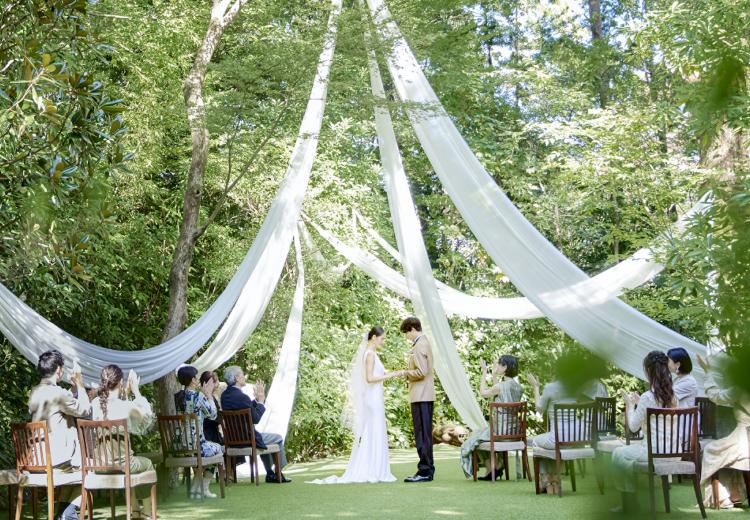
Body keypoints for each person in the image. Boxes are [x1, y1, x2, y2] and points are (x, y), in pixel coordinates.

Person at [310, 327, 404, 484]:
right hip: (372, 400)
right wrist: (393, 374)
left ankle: (375, 468)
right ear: (374, 337)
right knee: (373, 432)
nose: (383, 341)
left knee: (374, 432)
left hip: (374, 398)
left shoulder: (370, 353)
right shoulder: (370, 355)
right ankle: (373, 470)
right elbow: (369, 378)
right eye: (382, 338)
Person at [611, 351, 678, 514]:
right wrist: (639, 405)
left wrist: (630, 405)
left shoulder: (648, 397)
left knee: (618, 454)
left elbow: (633, 427)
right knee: (627, 456)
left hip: (653, 452)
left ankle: (630, 503)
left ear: (649, 371)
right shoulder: (673, 396)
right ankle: (631, 502)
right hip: (672, 452)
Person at [28, 350, 91, 520]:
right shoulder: (58, 393)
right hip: (55, 462)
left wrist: (74, 389)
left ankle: (64, 513)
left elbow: (65, 403)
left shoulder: (34, 392)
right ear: (58, 370)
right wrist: (80, 385)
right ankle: (68, 512)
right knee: (90, 471)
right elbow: (85, 410)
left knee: (77, 467)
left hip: (36, 460)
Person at [527, 370, 607, 495]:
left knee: (536, 442)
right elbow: (584, 402)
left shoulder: (550, 388)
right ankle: (555, 479)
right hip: (577, 438)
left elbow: (539, 408)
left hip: (557, 438)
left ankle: (545, 479)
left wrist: (535, 387)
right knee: (555, 447)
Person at [90, 365, 155, 519]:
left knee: (128, 465)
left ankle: (135, 511)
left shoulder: (94, 404)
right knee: (147, 465)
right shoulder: (126, 407)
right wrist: (136, 391)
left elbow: (112, 409)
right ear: (120, 383)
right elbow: (147, 418)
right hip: (124, 464)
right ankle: (146, 512)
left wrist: (124, 395)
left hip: (99, 464)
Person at [220, 366, 291, 483]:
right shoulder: (242, 397)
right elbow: (255, 418)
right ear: (237, 378)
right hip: (248, 437)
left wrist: (256, 400)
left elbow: (244, 408)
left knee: (265, 439)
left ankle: (270, 473)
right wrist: (261, 401)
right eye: (242, 374)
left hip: (233, 439)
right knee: (277, 438)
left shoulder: (225, 396)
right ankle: (278, 473)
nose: (244, 377)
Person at [696, 354, 749, 508]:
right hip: (744, 436)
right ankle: (735, 493)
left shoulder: (740, 387)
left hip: (745, 436)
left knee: (711, 450)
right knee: (730, 455)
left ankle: (723, 498)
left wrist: (708, 371)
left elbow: (716, 396)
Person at [460, 355, 523, 480]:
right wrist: (494, 375)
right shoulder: (518, 387)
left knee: (473, 440)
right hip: (514, 430)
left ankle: (493, 466)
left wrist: (484, 372)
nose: (497, 366)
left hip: (500, 430)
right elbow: (501, 395)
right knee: (479, 435)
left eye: (499, 364)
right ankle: (494, 467)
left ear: (505, 367)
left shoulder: (500, 387)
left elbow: (484, 393)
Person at [176, 365, 223, 498]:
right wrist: (208, 395)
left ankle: (195, 490)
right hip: (196, 445)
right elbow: (213, 415)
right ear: (193, 380)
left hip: (180, 445)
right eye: (196, 377)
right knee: (218, 449)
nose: (197, 379)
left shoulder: (179, 397)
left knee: (209, 453)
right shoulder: (198, 396)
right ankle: (203, 488)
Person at [400, 317, 436, 483]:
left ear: (412, 329)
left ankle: (425, 471)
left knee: (422, 435)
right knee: (423, 434)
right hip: (422, 395)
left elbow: (421, 371)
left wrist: (404, 373)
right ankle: (425, 469)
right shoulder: (423, 343)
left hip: (422, 396)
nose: (407, 336)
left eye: (406, 333)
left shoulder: (420, 344)